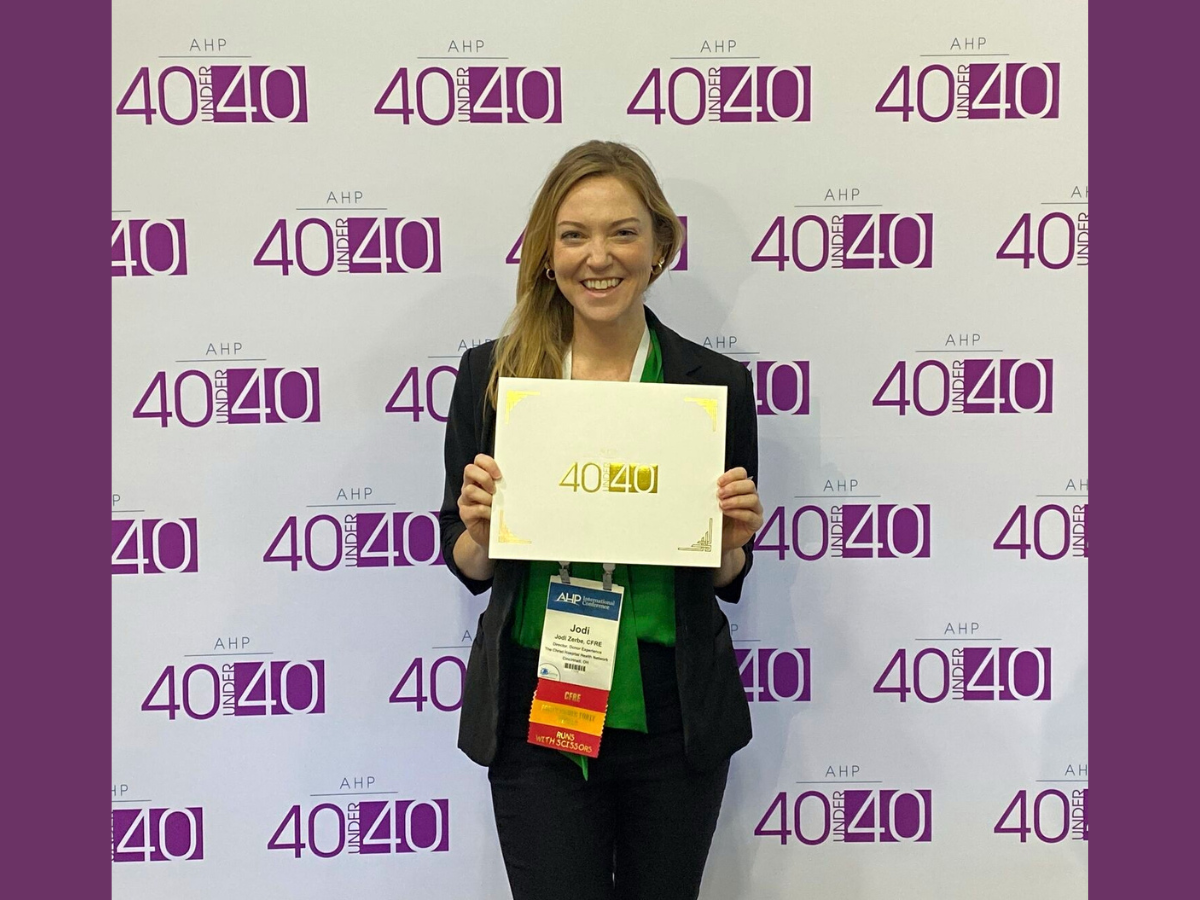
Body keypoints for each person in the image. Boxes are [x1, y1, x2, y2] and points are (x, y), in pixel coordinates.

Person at [438, 140, 762, 900]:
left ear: (659, 245)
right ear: (547, 253)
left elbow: (726, 573)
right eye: (574, 235)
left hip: (676, 714)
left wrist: (730, 546)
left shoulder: (715, 384)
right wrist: (480, 534)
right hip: (537, 703)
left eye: (623, 232)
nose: (599, 257)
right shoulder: (493, 376)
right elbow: (465, 560)